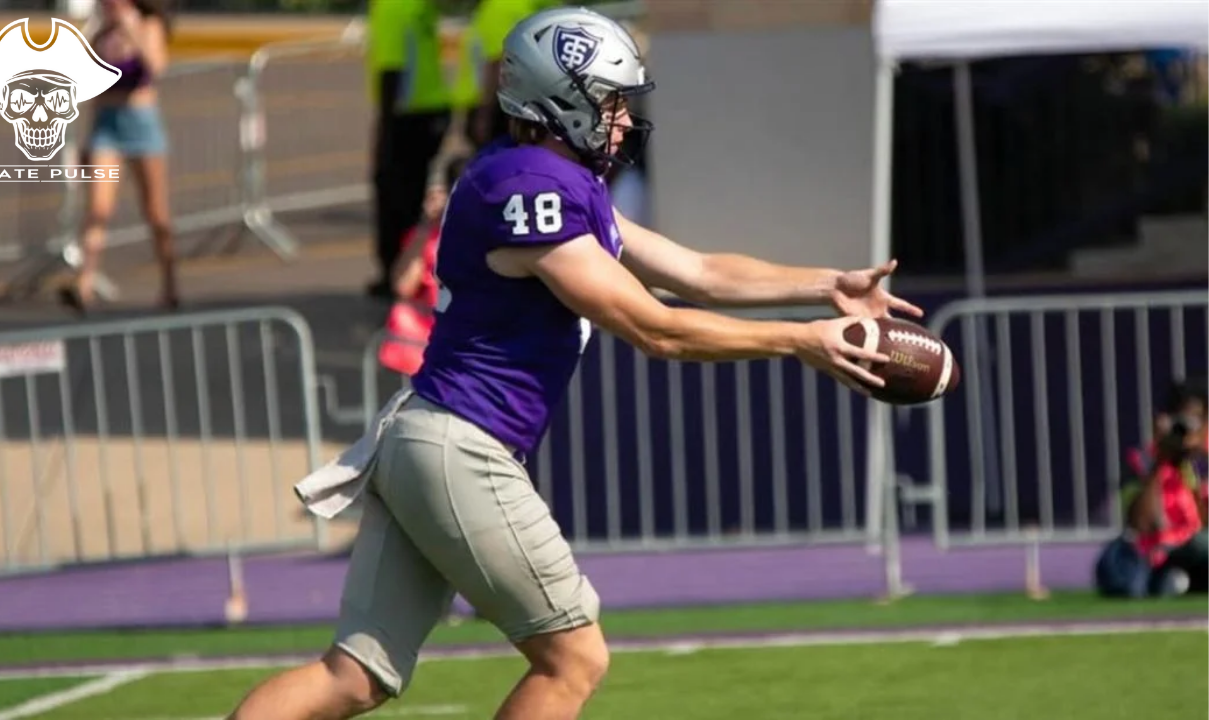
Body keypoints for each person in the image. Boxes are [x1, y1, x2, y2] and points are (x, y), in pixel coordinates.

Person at [226, 8, 920, 720]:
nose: (622, 120)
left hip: (425, 435)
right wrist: (802, 341)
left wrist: (823, 284)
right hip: (459, 445)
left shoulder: (545, 178)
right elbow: (657, 329)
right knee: (574, 657)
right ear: (562, 100)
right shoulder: (530, 189)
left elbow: (698, 270)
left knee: (354, 675)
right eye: (609, 101)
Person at [62, 0, 177, 314]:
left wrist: (132, 30)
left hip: (141, 122)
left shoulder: (147, 26)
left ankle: (169, 285)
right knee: (98, 208)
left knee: (156, 212)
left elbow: (156, 65)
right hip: (106, 124)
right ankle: (84, 284)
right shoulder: (100, 31)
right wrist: (86, 141)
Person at [366, 0, 452, 299]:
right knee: (411, 196)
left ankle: (397, 274)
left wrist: (383, 130)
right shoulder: (417, 5)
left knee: (394, 197)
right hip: (431, 108)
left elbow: (392, 70)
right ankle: (415, 270)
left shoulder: (391, 7)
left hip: (408, 114)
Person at [1101, 376, 1208, 597]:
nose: (1186, 429)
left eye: (1196, 420)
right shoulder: (1141, 461)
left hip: (1194, 548)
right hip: (1151, 551)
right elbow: (1141, 524)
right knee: (1119, 570)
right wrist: (1160, 461)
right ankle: (1167, 580)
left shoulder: (1200, 465)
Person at [377, 155, 470, 378]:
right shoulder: (429, 237)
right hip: (427, 355)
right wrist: (426, 225)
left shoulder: (493, 232)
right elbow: (402, 285)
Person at [453, 0, 562, 149]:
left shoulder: (500, 8)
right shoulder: (522, 7)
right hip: (517, 102)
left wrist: (484, 114)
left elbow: (498, 62)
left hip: (495, 105)